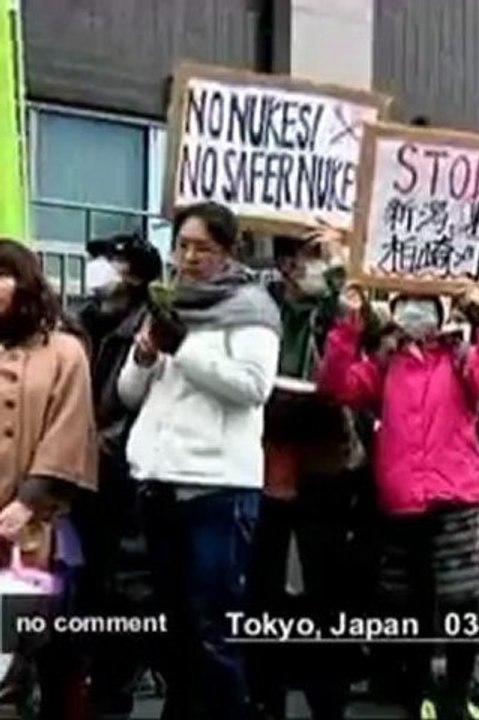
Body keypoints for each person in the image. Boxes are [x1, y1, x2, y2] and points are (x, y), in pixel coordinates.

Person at [317, 283, 479, 720]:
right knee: (409, 604)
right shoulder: (386, 363)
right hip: (401, 497)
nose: (415, 310)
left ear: (442, 310)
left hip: (456, 494)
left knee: (461, 600)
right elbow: (337, 386)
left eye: (424, 302)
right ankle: (415, 692)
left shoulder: (461, 357)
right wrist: (347, 325)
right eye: (405, 301)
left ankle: (456, 697)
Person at [116, 202, 281, 720]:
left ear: (228, 253)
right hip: (159, 481)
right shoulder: (168, 304)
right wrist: (144, 359)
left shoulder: (250, 309)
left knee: (215, 625)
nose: (188, 257)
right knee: (172, 624)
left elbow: (252, 388)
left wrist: (183, 346)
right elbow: (128, 394)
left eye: (202, 248)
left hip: (217, 488)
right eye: (182, 245)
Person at [248, 227, 370, 720]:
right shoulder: (259, 307)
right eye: (310, 255)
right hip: (268, 467)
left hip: (328, 467)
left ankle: (328, 702)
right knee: (262, 594)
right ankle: (265, 698)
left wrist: (340, 272)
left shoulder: (342, 308)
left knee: (328, 594)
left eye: (323, 255)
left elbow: (367, 336)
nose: (316, 265)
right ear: (285, 263)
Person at [0, 239, 98, 719]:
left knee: (12, 663)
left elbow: (69, 429)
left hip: (29, 528)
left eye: (4, 273)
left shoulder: (64, 350)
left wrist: (27, 502)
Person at [73, 233, 163, 718]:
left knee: (124, 592)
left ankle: (115, 692)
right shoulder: (78, 323)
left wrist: (100, 446)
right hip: (78, 474)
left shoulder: (152, 326)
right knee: (80, 588)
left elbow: (143, 404)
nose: (100, 269)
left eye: (111, 261)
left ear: (134, 276)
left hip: (124, 475)